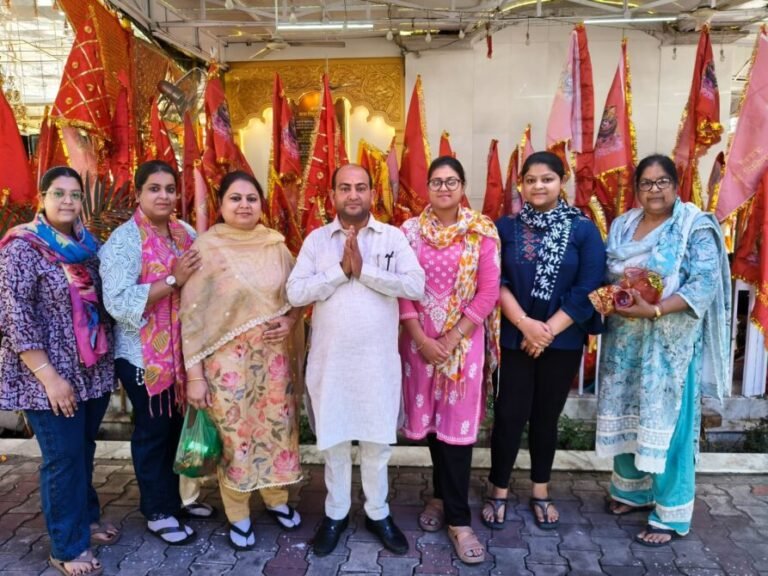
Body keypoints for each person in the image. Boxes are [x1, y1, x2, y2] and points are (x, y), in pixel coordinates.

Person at [287, 163, 425, 557]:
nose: (353, 195)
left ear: (372, 194)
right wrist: (338, 271)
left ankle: (378, 512)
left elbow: (415, 285)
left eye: (360, 187)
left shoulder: (392, 238)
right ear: (332, 195)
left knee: (376, 443)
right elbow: (295, 292)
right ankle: (336, 513)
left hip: (377, 364)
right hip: (331, 363)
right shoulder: (317, 241)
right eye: (345, 188)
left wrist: (366, 272)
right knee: (333, 441)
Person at [596, 154, 730, 546]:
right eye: (646, 183)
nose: (654, 190)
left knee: (669, 424)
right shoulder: (623, 225)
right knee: (627, 412)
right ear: (637, 188)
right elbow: (610, 271)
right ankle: (632, 491)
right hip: (625, 339)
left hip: (669, 344)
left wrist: (654, 309)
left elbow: (703, 284)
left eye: (662, 182)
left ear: (676, 184)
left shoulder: (694, 226)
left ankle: (671, 512)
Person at [0, 166, 117, 576]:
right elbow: (15, 318)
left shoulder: (89, 246)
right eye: (58, 193)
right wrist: (50, 378)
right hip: (46, 376)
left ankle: (86, 518)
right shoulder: (22, 248)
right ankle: (67, 547)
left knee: (82, 450)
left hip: (90, 372)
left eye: (75, 194)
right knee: (62, 458)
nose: (68, 201)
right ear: (42, 198)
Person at [182, 171, 304, 551]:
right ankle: (238, 512)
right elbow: (192, 315)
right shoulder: (206, 248)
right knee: (236, 434)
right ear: (220, 204)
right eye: (235, 198)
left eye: (252, 198)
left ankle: (276, 498)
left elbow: (298, 295)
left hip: (272, 361)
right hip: (225, 364)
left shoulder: (276, 246)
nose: (245, 205)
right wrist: (195, 376)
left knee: (276, 429)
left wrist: (290, 321)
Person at [483, 151, 605, 531]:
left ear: (562, 181)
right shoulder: (505, 228)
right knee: (508, 415)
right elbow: (494, 280)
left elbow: (590, 285)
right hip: (514, 338)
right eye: (531, 179)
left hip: (562, 340)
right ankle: (498, 489)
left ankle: (540, 489)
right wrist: (525, 325)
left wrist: (546, 330)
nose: (538, 186)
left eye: (547, 179)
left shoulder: (583, 230)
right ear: (521, 184)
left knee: (546, 417)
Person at [100, 160, 214, 546]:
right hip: (142, 357)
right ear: (138, 194)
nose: (163, 195)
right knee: (154, 431)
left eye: (169, 188)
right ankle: (157, 511)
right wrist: (172, 280)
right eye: (154, 188)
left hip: (182, 354)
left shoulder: (185, 233)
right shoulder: (124, 241)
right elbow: (117, 302)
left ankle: (176, 500)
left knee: (175, 428)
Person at [398, 156, 500, 564]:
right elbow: (401, 288)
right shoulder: (408, 232)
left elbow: (489, 291)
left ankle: (459, 521)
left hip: (463, 346)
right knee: (432, 427)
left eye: (452, 181)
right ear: (427, 187)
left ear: (462, 187)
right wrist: (422, 339)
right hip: (418, 344)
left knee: (456, 432)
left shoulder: (481, 231)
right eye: (437, 181)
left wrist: (453, 337)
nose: (444, 188)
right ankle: (439, 497)